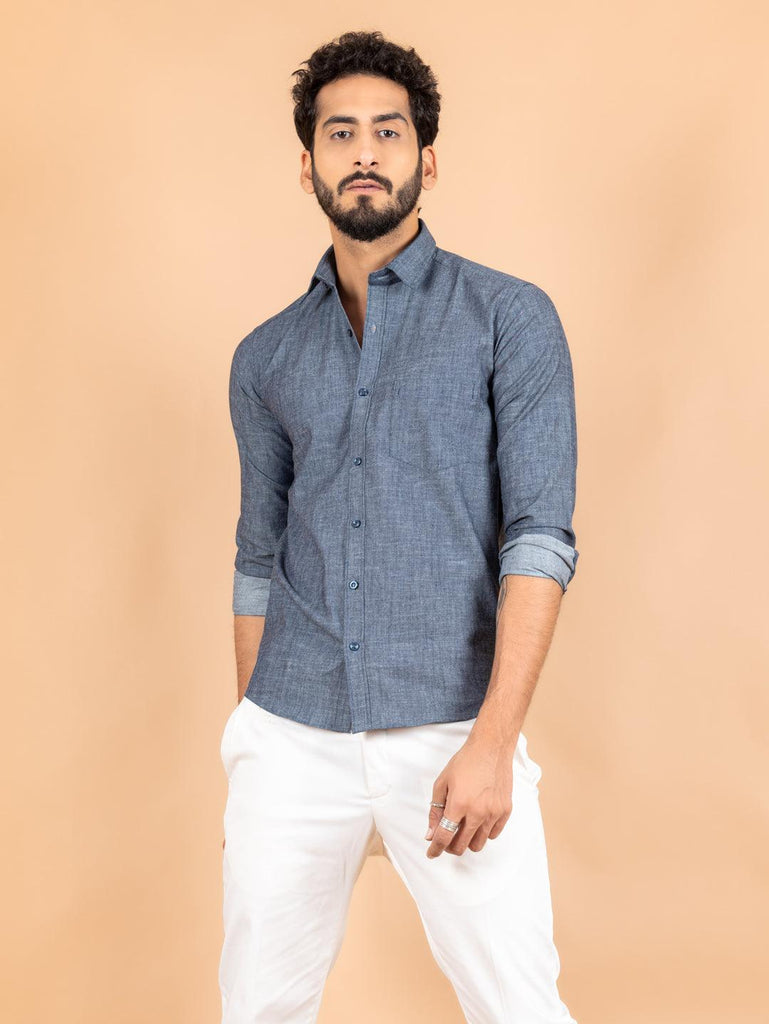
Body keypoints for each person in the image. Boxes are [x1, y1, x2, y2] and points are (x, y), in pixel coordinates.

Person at [219, 29, 580, 1024]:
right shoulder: (265, 356)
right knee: (257, 1009)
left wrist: (494, 740)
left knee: (518, 1006)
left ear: (428, 158)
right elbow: (257, 557)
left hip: (453, 724)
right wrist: (252, 744)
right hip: (291, 732)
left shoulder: (508, 318)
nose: (365, 153)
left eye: (388, 131)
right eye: (340, 134)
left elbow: (539, 539)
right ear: (307, 166)